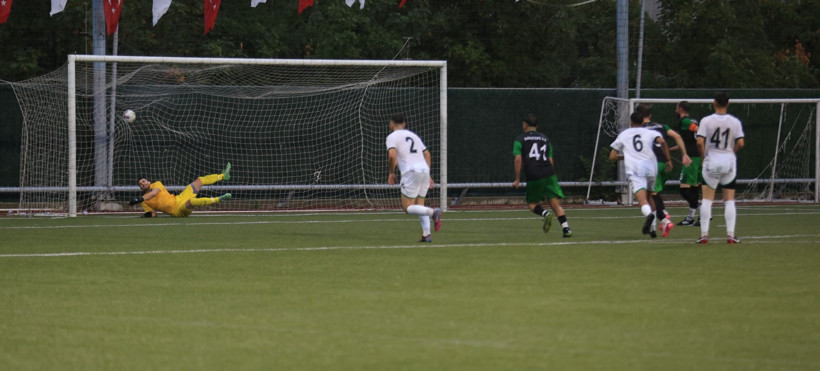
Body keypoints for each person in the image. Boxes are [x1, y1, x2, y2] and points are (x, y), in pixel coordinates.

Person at [610, 112, 671, 238]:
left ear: (631, 122)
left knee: (643, 200)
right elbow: (662, 142)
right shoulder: (650, 132)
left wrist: (625, 156)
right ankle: (653, 230)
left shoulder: (624, 134)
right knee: (651, 196)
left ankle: (649, 215)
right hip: (651, 167)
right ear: (643, 122)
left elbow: (612, 156)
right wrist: (668, 159)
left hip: (636, 169)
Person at [635, 104, 692, 237]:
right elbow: (677, 137)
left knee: (650, 196)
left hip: (650, 165)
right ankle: (662, 215)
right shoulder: (662, 126)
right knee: (654, 194)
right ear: (650, 115)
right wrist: (684, 154)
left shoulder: (639, 129)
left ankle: (663, 221)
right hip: (664, 165)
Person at [696, 92, 745, 244]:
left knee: (707, 199)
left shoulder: (706, 120)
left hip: (712, 161)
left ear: (714, 103)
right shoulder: (735, 121)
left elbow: (699, 142)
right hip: (728, 162)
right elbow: (741, 143)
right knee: (729, 200)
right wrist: (731, 151)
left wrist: (703, 157)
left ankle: (704, 235)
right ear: (728, 103)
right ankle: (730, 235)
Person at [512, 114, 572, 237]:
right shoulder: (545, 139)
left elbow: (518, 159)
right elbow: (550, 160)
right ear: (537, 126)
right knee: (555, 203)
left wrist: (517, 179)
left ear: (525, 125)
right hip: (549, 173)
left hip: (534, 174)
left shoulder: (520, 139)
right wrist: (551, 174)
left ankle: (545, 214)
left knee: (532, 204)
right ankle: (566, 229)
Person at [386, 114, 442, 243]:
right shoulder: (413, 136)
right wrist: (428, 174)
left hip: (411, 172)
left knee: (407, 207)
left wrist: (391, 173)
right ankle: (427, 235)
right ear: (404, 124)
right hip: (423, 170)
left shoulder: (392, 137)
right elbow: (427, 154)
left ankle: (434, 212)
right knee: (419, 204)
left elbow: (392, 155)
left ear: (391, 125)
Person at [131, 163, 232, 217]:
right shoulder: (145, 202)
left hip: (179, 198)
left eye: (143, 181)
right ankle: (219, 199)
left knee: (199, 180)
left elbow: (154, 193)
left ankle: (223, 176)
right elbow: (153, 214)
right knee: (192, 201)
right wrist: (147, 215)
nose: (142, 184)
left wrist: (139, 198)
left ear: (148, 181)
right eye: (140, 184)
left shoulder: (157, 184)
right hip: (177, 211)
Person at [675, 101, 704, 226]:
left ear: (680, 108)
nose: (675, 110)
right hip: (696, 156)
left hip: (691, 158)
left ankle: (704, 212)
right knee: (694, 188)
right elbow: (690, 140)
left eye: (676, 107)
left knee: (684, 190)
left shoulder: (685, 121)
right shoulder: (694, 119)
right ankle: (691, 217)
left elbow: (698, 131)